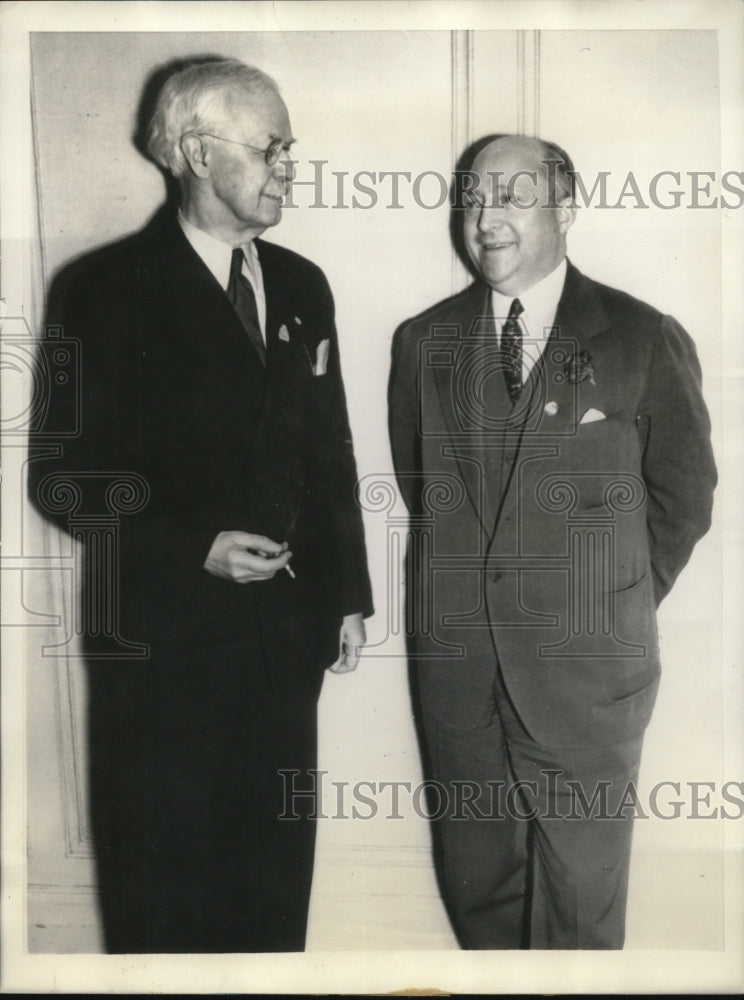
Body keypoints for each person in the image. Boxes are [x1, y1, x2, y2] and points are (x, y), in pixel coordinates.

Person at [29, 58, 372, 953]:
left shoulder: (303, 285)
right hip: (162, 651)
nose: (290, 165)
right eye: (271, 148)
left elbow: (330, 452)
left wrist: (346, 595)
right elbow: (62, 477)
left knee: (272, 893)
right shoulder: (101, 291)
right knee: (168, 903)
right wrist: (194, 545)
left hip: (284, 644)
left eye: (290, 147)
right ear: (195, 153)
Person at [388, 134, 716, 949]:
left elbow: (683, 498)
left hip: (587, 678)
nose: (485, 219)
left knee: (580, 912)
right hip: (459, 676)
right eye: (473, 199)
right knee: (480, 896)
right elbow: (424, 488)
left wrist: (610, 599)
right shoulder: (421, 341)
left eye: (511, 196)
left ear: (566, 208)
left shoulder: (642, 336)